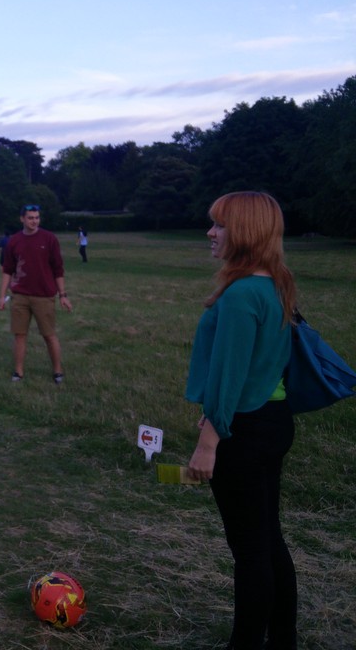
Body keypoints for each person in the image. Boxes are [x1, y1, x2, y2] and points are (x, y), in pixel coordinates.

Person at [184, 191, 297, 650]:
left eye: (220, 225)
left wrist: (209, 441)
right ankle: (283, 640)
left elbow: (230, 377)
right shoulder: (275, 284)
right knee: (269, 541)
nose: (210, 232)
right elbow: (257, 368)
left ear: (246, 232)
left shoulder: (241, 295)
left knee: (250, 551)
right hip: (273, 421)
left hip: (243, 432)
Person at [0, 204, 72, 384]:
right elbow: (7, 270)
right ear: (22, 219)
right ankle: (18, 372)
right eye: (30, 217)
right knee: (20, 335)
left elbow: (58, 269)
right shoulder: (14, 241)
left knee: (49, 335)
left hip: (43, 296)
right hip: (20, 296)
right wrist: (2, 296)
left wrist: (63, 295)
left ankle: (57, 371)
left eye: (37, 217)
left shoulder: (49, 239)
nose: (34, 221)